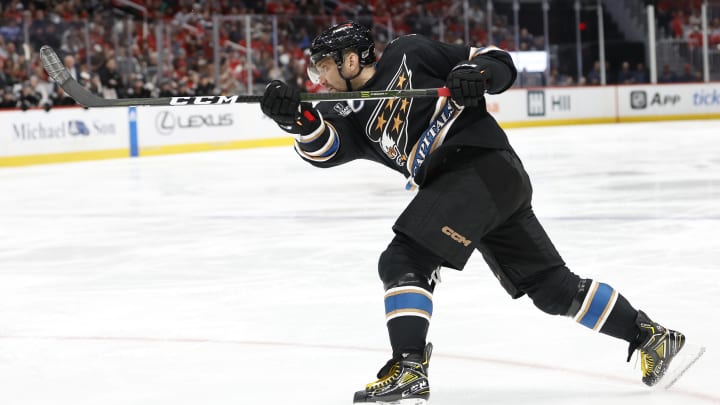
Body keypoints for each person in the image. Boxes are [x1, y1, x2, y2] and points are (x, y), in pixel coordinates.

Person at [259, 21, 687, 404]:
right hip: (478, 188)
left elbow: (495, 61)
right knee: (553, 289)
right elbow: (326, 149)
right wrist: (295, 121)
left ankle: (409, 368)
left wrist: (476, 75)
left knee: (404, 259)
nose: (319, 78)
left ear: (350, 60)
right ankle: (650, 336)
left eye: (323, 67)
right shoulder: (348, 112)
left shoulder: (409, 51)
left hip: (480, 164)